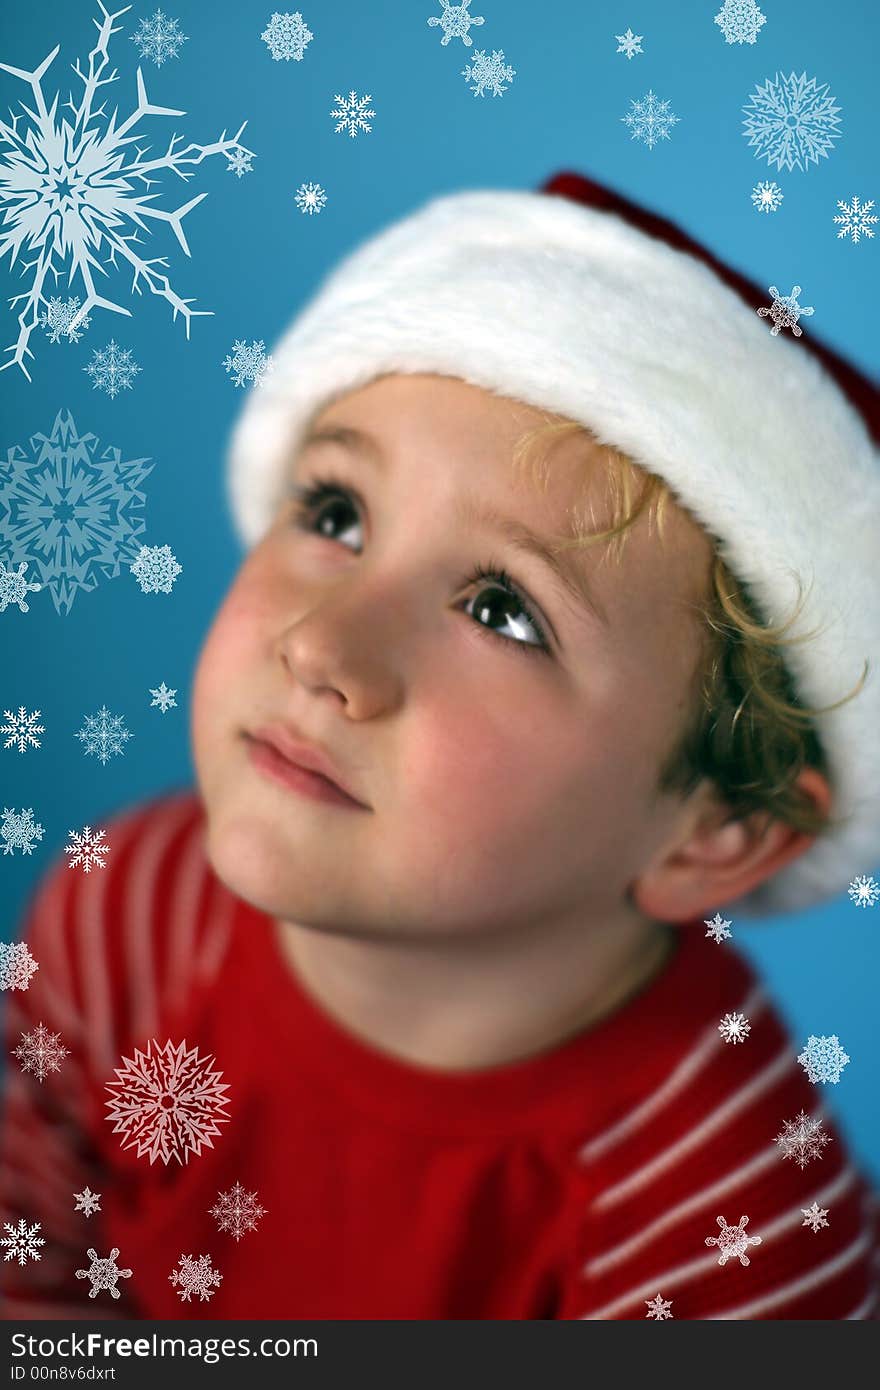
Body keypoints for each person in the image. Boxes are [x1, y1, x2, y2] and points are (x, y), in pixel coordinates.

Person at [2, 172, 878, 1320]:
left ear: (717, 831)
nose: (325, 646)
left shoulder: (734, 1220)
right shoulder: (126, 911)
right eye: (336, 515)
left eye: (504, 610)